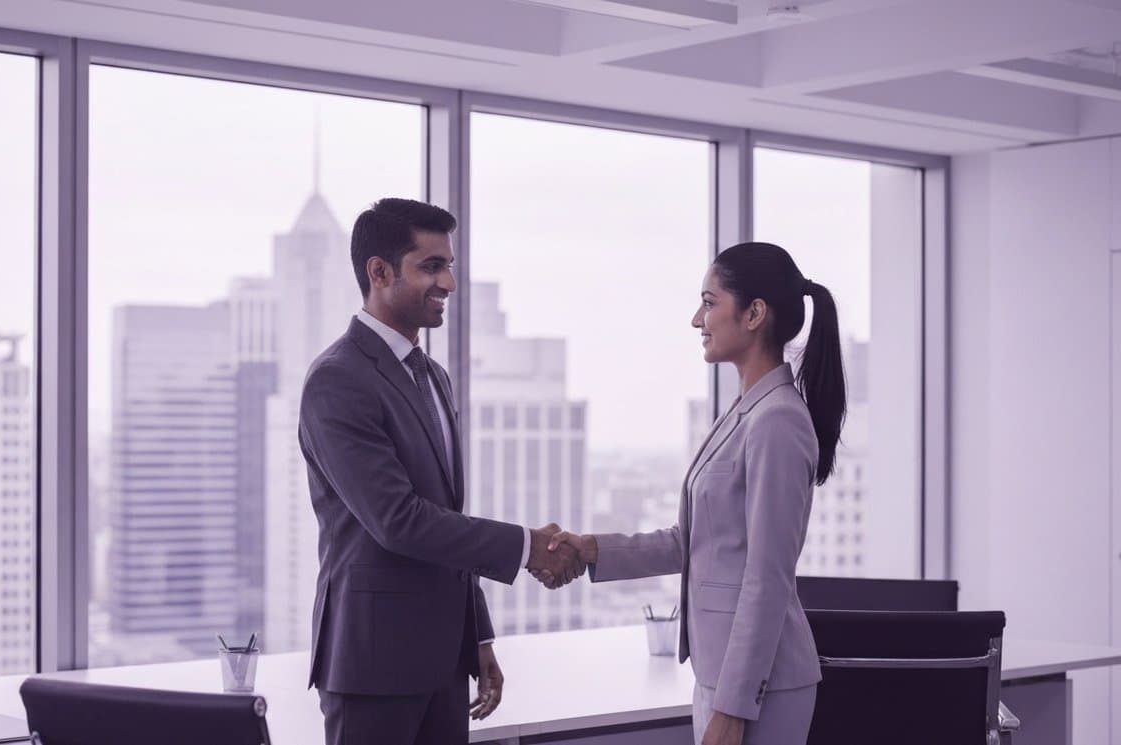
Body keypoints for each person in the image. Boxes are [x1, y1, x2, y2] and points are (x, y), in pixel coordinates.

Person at [298, 198, 585, 745]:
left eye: (448, 265)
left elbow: (445, 517)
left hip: (443, 664)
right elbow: (399, 520)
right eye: (431, 266)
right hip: (373, 667)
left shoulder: (433, 376)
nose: (449, 282)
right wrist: (528, 547)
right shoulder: (338, 380)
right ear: (378, 273)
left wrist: (477, 636)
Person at [542, 241, 847, 745]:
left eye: (709, 303)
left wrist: (733, 705)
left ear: (754, 314)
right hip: (723, 675)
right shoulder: (746, 411)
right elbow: (691, 540)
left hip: (758, 688)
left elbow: (767, 576)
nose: (696, 319)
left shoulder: (777, 422)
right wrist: (592, 548)